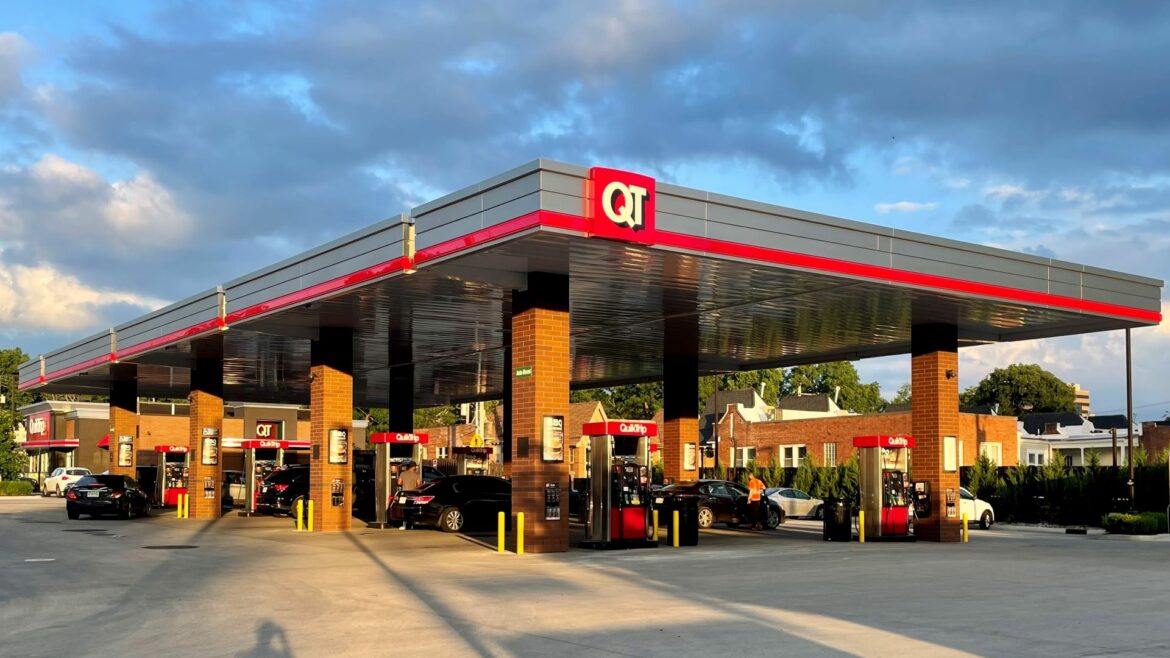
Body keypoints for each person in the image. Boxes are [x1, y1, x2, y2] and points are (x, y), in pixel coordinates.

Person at [396, 462, 421, 530]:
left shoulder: (403, 473)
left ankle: (404, 525)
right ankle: (412, 525)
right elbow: (418, 484)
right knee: (412, 509)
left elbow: (399, 483)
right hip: (412, 494)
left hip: (404, 494)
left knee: (403, 509)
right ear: (414, 467)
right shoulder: (416, 474)